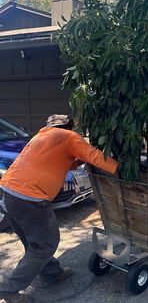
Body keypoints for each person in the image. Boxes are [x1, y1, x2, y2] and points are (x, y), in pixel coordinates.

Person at [0, 115, 118, 303]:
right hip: (30, 197)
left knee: (33, 242)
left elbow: (57, 163)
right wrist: (119, 168)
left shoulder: (40, 137)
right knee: (45, 243)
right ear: (69, 126)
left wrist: (77, 162)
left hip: (9, 193)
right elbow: (95, 155)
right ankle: (8, 289)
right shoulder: (68, 136)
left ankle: (51, 272)